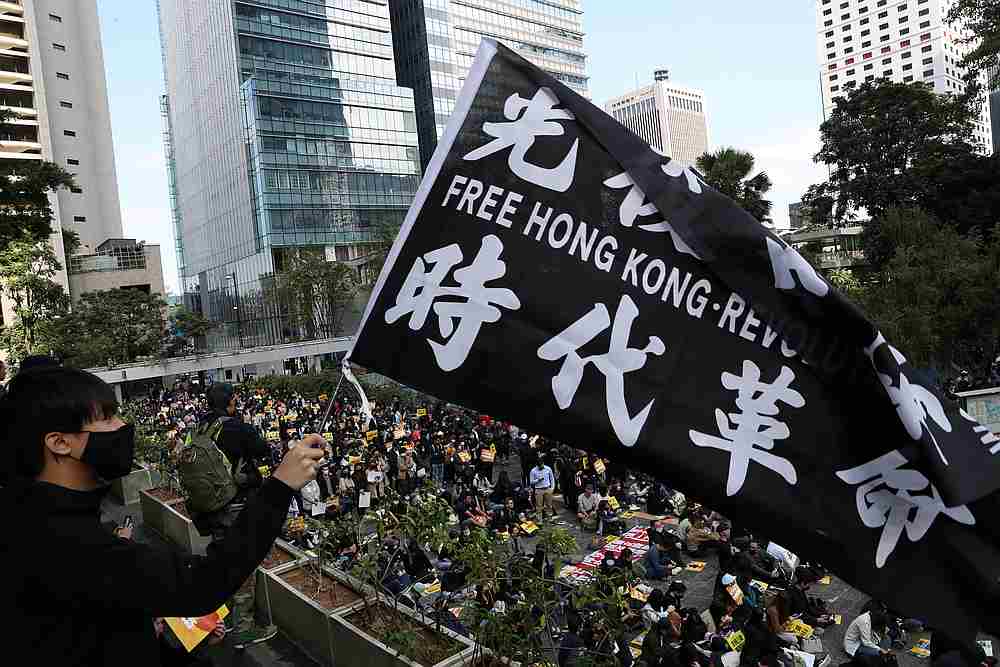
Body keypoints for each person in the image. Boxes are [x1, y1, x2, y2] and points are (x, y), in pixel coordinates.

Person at [0, 367, 326, 665]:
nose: (123, 426)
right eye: (108, 417)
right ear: (59, 442)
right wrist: (280, 487)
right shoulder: (68, 544)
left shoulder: (27, 516)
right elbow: (201, 583)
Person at [193, 382, 276, 646]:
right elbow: (262, 450)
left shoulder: (200, 428)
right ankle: (243, 628)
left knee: (222, 561)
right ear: (230, 401)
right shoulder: (236, 427)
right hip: (236, 506)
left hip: (209, 508)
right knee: (242, 563)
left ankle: (222, 619)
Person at [529, 455, 555, 521]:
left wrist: (552, 488)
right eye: (540, 465)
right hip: (538, 489)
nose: (541, 466)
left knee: (549, 504)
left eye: (542, 464)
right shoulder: (533, 471)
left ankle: (550, 518)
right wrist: (538, 480)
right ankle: (539, 520)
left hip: (547, 488)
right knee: (539, 506)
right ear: (537, 465)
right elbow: (531, 482)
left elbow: (552, 478)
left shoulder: (548, 468)